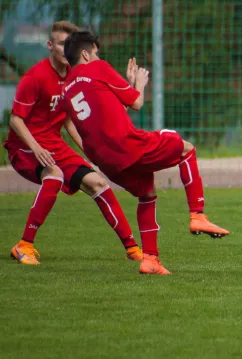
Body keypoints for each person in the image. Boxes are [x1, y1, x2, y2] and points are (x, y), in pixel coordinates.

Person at [61, 31, 229, 275]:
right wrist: (139, 81)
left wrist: (128, 86)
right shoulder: (98, 68)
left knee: (147, 193)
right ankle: (198, 215)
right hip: (128, 145)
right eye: (96, 53)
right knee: (186, 149)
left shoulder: (67, 90)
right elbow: (137, 103)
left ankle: (150, 259)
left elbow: (109, 113)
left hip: (105, 161)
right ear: (86, 54)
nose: (98, 57)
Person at [4, 21, 144, 265]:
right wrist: (36, 149)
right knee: (54, 174)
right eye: (59, 43)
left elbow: (74, 120)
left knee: (98, 182)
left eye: (67, 43)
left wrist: (92, 154)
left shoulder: (75, 77)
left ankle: (132, 249)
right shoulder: (34, 77)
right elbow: (15, 119)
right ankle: (24, 245)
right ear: (50, 45)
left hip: (54, 144)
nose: (63, 48)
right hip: (25, 147)